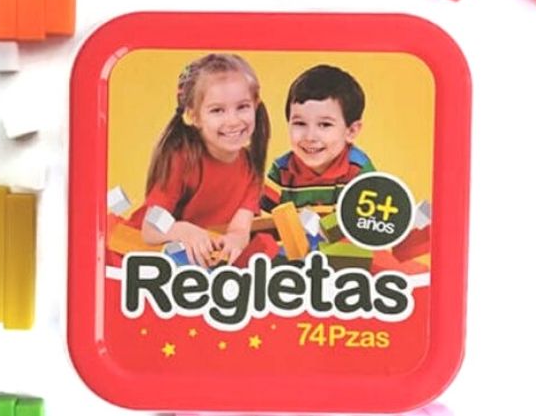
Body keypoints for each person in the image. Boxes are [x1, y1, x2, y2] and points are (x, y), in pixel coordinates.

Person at [131, 53, 273, 266]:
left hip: (202, 259)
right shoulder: (182, 159)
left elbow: (240, 229)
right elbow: (150, 228)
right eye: (217, 110)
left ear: (256, 105)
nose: (233, 121)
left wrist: (234, 241)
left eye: (242, 107)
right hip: (143, 252)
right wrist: (185, 231)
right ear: (194, 116)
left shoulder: (251, 167)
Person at [260, 64, 374, 212]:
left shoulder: (359, 170)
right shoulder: (281, 171)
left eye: (325, 124)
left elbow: (368, 220)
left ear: (351, 131)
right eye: (300, 123)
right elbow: (262, 218)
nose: (310, 137)